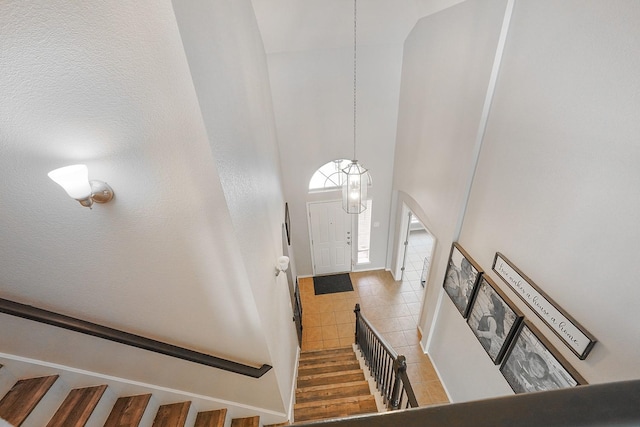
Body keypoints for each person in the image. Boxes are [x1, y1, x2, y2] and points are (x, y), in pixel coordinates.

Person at [476, 293, 506, 357]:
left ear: (494, 309)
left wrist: (481, 333)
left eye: (491, 303)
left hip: (485, 343)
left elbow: (491, 334)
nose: (489, 303)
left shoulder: (492, 320)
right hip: (479, 338)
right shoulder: (487, 315)